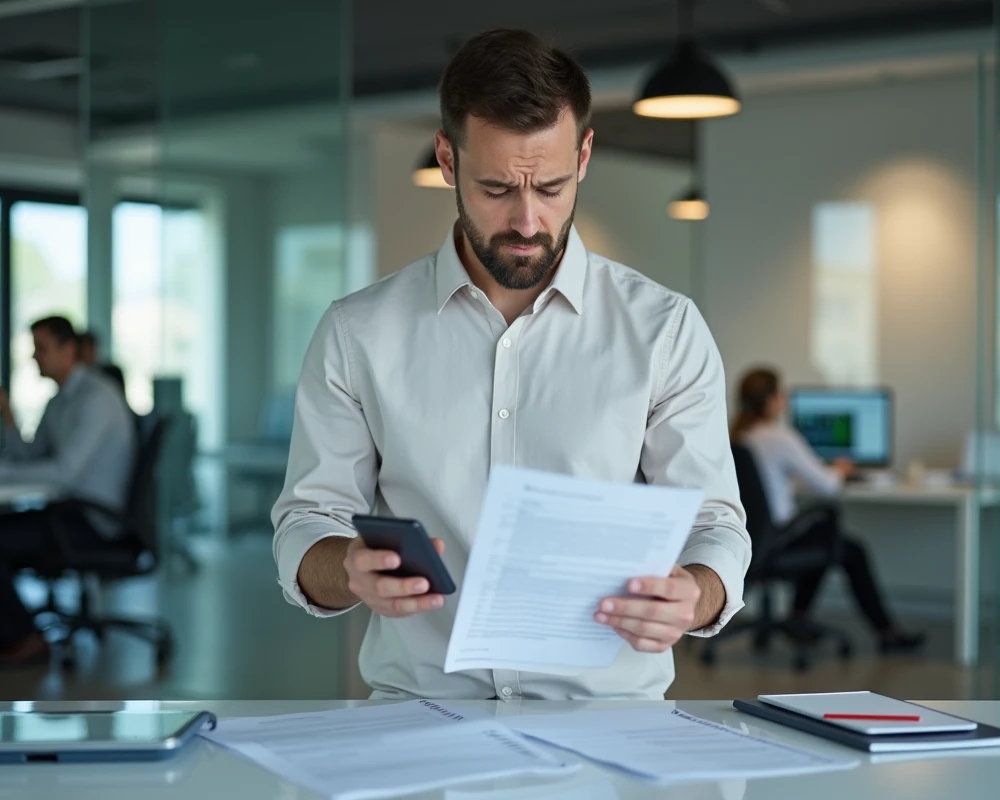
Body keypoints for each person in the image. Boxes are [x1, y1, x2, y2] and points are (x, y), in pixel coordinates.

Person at [273, 28, 751, 701]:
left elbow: (715, 526)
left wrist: (695, 594)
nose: (527, 221)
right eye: (497, 188)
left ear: (583, 156)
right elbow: (307, 522)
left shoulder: (665, 331)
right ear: (447, 158)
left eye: (551, 187)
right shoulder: (358, 333)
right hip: (420, 716)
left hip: (608, 721)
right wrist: (345, 567)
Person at [0, 316, 137, 667]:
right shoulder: (60, 401)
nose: (33, 357)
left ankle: (22, 637)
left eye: (41, 348)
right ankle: (7, 630)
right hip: (67, 511)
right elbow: (31, 455)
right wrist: (6, 410)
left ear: (68, 349)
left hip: (93, 520)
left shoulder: (97, 397)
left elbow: (64, 473)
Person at [731, 367, 925, 654]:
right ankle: (887, 632)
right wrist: (840, 469)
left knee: (824, 538)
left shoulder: (740, 436)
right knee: (847, 547)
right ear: (772, 401)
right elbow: (828, 486)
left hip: (750, 540)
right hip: (778, 539)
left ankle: (799, 616)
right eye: (781, 394)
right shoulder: (779, 436)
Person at [78, 329, 127, 398]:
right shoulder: (75, 380)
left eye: (91, 349)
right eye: (84, 349)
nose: (87, 354)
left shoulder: (113, 374)